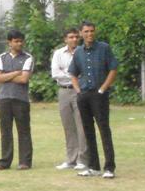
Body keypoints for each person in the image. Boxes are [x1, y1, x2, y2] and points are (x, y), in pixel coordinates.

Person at [69, 21, 118, 178]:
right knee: (88, 130)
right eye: (86, 31)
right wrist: (78, 91)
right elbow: (73, 73)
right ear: (81, 33)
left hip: (99, 94)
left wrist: (103, 88)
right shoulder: (78, 52)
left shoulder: (103, 48)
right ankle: (93, 166)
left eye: (92, 31)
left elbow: (113, 69)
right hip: (84, 94)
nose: (89, 34)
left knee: (104, 129)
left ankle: (109, 167)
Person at [0, 30, 34, 171]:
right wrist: (16, 72)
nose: (19, 44)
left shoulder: (28, 58)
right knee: (5, 131)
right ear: (9, 42)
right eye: (16, 41)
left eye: (21, 41)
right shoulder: (1, 57)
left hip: (21, 99)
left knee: (23, 130)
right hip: (4, 98)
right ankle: (4, 162)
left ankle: (24, 162)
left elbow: (24, 79)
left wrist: (5, 75)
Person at [51, 28, 87, 170]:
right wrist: (73, 75)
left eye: (76, 37)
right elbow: (55, 73)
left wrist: (69, 75)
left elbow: (85, 73)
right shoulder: (58, 53)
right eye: (71, 37)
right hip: (64, 91)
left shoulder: (83, 52)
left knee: (82, 126)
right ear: (65, 39)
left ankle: (82, 159)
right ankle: (71, 159)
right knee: (68, 126)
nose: (74, 39)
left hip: (79, 91)